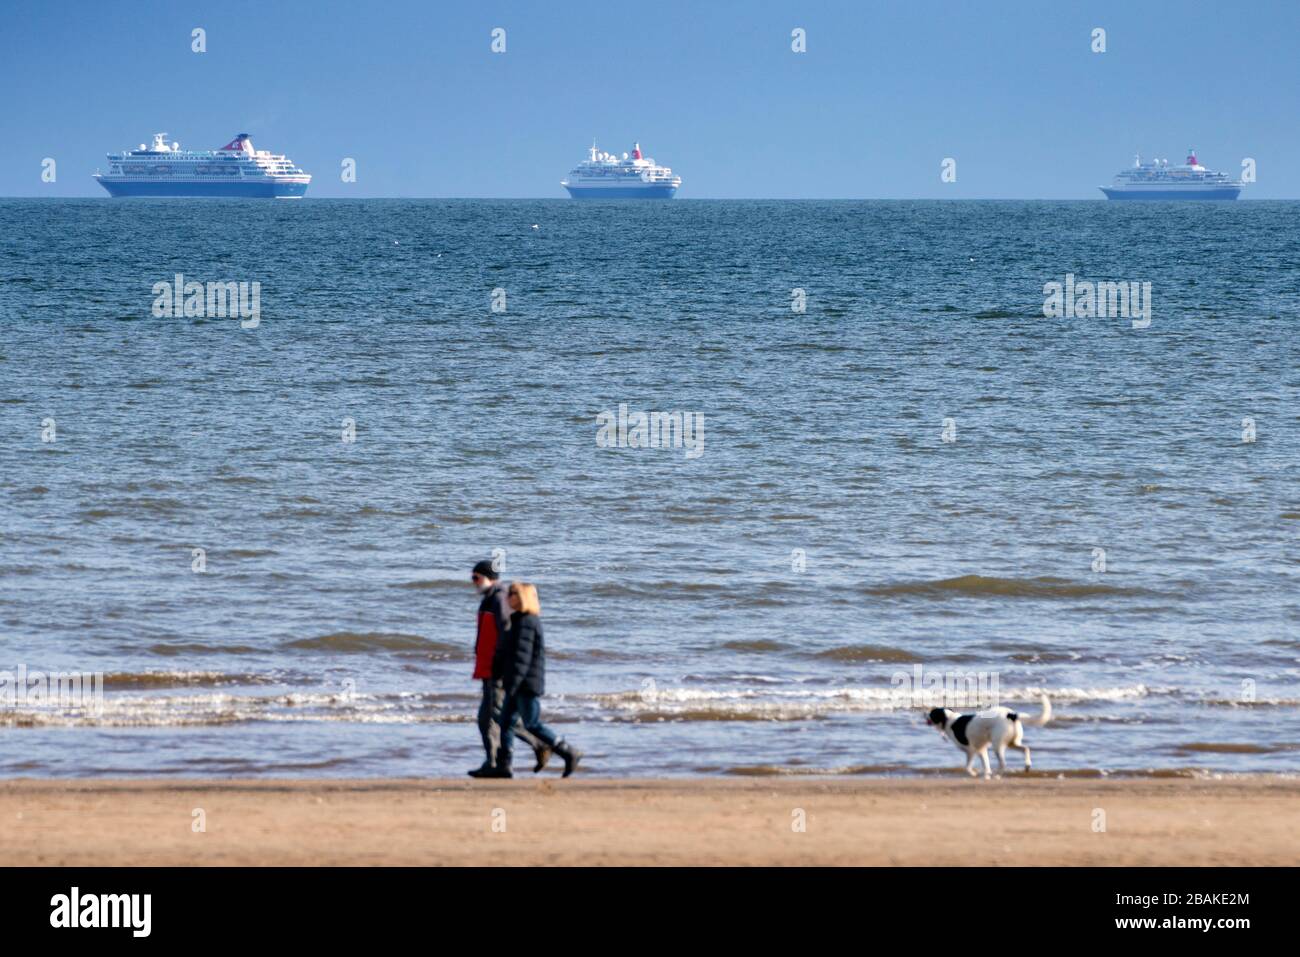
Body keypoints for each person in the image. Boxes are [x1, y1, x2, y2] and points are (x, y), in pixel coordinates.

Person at [489, 582, 582, 778]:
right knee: (505, 723)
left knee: (531, 724)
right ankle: (504, 766)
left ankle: (567, 751)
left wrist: (512, 685)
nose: (508, 597)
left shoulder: (528, 622)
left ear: (521, 597)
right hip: (516, 683)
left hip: (526, 684)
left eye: (512, 594)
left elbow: (522, 658)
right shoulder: (518, 621)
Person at [468, 560, 548, 778]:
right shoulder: (490, 599)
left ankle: (498, 763)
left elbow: (506, 635)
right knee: (497, 717)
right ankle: (502, 760)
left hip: (497, 670)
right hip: (488, 669)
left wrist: (501, 666)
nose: (473, 582)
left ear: (490, 577)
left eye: (477, 577)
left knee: (491, 717)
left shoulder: (499, 599)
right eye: (472, 578)